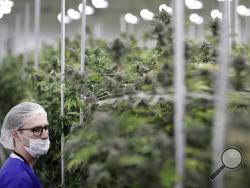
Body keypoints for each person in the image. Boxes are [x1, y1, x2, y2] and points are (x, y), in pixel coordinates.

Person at [0, 102, 50, 188]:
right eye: (36, 129)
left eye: (45, 128)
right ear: (16, 135)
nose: (45, 135)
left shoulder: (21, 166)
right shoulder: (17, 179)